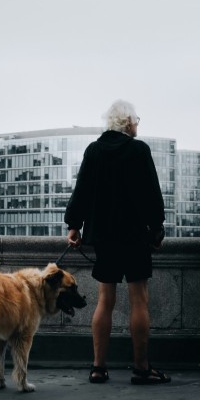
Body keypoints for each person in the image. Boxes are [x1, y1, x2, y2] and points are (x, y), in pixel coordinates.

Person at [65, 99, 171, 385]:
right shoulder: (139, 150)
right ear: (128, 122)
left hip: (104, 237)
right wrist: (157, 229)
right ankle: (141, 368)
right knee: (139, 300)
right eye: (136, 119)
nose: (138, 124)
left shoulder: (94, 151)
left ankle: (98, 367)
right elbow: (152, 192)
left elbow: (82, 190)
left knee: (104, 301)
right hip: (135, 235)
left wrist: (74, 225)